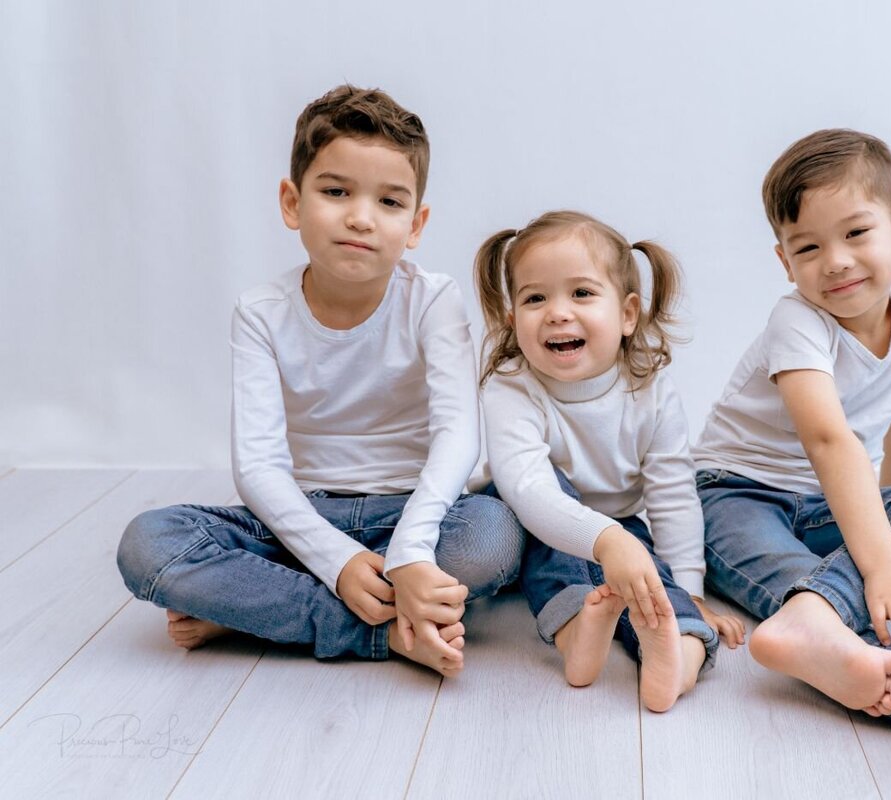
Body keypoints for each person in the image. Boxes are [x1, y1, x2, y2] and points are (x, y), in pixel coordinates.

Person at [117, 84, 522, 676]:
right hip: (302, 523)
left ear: (416, 223)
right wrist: (334, 560)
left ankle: (259, 609)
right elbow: (257, 467)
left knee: (492, 534)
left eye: (389, 202)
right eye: (335, 192)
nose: (360, 217)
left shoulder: (432, 300)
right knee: (148, 542)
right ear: (291, 202)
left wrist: (408, 552)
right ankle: (384, 633)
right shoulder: (261, 313)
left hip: (413, 516)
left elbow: (458, 437)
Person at [692, 129, 891, 764]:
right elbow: (828, 438)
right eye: (808, 247)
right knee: (833, 588)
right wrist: (887, 566)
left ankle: (872, 658)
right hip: (733, 496)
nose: (836, 260)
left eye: (856, 234)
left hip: (828, 503)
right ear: (785, 263)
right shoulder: (798, 321)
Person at [473, 210, 744, 712]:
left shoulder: (650, 389)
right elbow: (529, 490)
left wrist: (690, 585)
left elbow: (671, 490)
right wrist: (607, 543)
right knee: (556, 554)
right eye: (535, 298)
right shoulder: (512, 386)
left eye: (581, 293)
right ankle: (578, 632)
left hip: (621, 527)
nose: (557, 312)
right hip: (535, 524)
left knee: (652, 583)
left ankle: (679, 651)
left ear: (627, 313)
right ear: (513, 321)